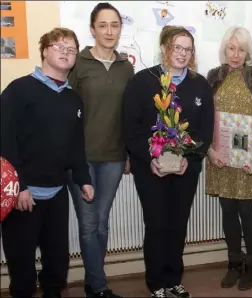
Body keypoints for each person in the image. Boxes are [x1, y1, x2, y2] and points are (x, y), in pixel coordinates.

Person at [0, 27, 94, 298]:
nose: (66, 52)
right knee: (22, 266)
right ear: (44, 50)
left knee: (57, 262)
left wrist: (84, 179)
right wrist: (19, 187)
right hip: (23, 195)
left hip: (57, 193)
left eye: (72, 49)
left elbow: (76, 145)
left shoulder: (73, 99)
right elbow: (5, 141)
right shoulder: (19, 90)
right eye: (59, 46)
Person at [122, 25, 215, 298]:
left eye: (188, 49)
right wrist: (151, 158)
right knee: (157, 224)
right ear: (164, 48)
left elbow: (204, 131)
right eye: (177, 47)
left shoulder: (199, 84)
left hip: (187, 169)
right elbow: (131, 129)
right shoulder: (142, 81)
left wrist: (188, 157)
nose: (182, 54)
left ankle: (174, 278)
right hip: (149, 169)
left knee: (178, 223)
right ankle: (156, 284)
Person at [66, 3, 134, 297]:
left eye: (115, 25)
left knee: (102, 221)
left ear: (120, 29)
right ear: (92, 29)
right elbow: (65, 111)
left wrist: (129, 153)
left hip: (114, 157)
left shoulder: (126, 66)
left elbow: (131, 114)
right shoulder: (78, 63)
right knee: (88, 222)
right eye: (103, 25)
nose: (109, 31)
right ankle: (100, 287)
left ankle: (93, 283)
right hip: (80, 158)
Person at [205, 26, 252, 291]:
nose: (235, 54)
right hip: (221, 157)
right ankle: (234, 263)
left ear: (248, 52)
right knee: (228, 210)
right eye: (231, 48)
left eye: (241, 49)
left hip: (249, 159)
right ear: (225, 49)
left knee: (247, 211)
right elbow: (206, 118)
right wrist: (210, 152)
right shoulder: (213, 77)